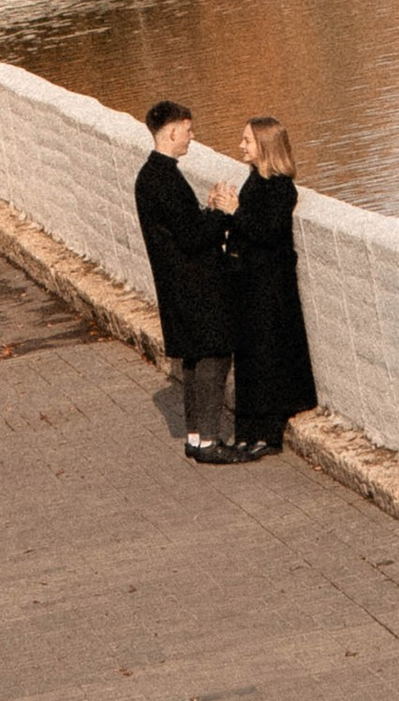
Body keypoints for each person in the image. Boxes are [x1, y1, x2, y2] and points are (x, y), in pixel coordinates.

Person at [133, 100, 258, 464]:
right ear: (172, 132)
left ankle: (195, 436)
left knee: (194, 357)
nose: (192, 136)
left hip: (177, 281)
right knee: (214, 354)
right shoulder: (165, 179)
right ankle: (208, 441)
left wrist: (203, 212)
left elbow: (180, 226)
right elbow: (191, 238)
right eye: (188, 130)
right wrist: (221, 213)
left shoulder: (152, 176)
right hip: (195, 282)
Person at [221, 114, 317, 453]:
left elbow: (268, 231)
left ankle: (268, 434)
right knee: (249, 357)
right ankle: (248, 430)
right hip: (249, 282)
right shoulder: (254, 181)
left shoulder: (279, 187)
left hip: (269, 286)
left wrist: (236, 212)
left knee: (268, 356)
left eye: (247, 140)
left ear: (265, 146)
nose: (242, 146)